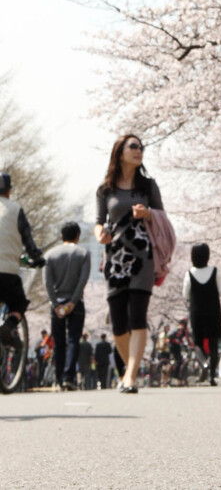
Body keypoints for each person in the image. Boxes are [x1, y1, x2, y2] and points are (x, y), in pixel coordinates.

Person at [94, 133, 165, 393]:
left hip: (142, 257)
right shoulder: (105, 189)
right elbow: (99, 221)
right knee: (118, 324)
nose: (139, 151)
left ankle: (131, 377)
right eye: (133, 146)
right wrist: (99, 234)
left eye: (141, 147)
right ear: (120, 152)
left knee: (137, 316)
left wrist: (146, 213)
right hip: (114, 258)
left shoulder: (148, 186)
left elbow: (162, 217)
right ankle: (130, 369)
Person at [43, 220, 91, 391]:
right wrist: (73, 301)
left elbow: (47, 283)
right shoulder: (83, 253)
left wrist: (56, 304)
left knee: (59, 342)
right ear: (77, 236)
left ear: (61, 236)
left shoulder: (50, 255)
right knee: (73, 340)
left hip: (56, 304)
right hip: (76, 303)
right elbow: (83, 280)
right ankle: (68, 377)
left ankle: (58, 378)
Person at [0, 172, 44, 349]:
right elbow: (28, 241)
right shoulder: (15, 210)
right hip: (6, 274)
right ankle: (9, 325)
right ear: (9, 191)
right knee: (19, 302)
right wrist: (37, 258)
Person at [183, 243, 221, 386]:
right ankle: (212, 375)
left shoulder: (189, 273)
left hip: (197, 311)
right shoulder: (215, 271)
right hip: (213, 311)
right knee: (214, 344)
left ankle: (204, 363)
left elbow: (185, 294)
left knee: (197, 342)